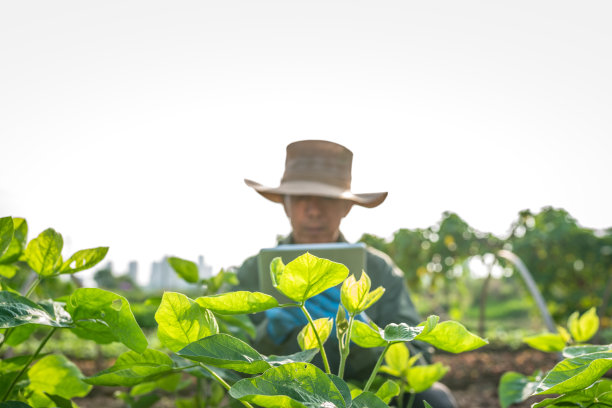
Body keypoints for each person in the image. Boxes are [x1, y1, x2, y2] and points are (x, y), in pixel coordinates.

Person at [234, 140, 457, 408]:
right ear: (285, 204)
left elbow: (418, 362)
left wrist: (367, 334)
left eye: (326, 199)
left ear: (347, 207)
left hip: (364, 395)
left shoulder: (378, 271)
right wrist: (268, 333)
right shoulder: (253, 272)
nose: (314, 211)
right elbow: (229, 366)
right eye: (302, 198)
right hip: (281, 397)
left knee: (434, 398)